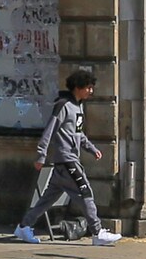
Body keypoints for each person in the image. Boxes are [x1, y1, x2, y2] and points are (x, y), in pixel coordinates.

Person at [13, 66, 120, 245]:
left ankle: (24, 226)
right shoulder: (63, 105)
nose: (91, 91)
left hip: (66, 161)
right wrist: (41, 155)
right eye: (88, 87)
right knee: (86, 192)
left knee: (48, 199)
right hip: (67, 160)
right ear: (78, 87)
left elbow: (78, 134)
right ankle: (97, 232)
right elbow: (50, 129)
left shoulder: (78, 107)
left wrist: (91, 148)